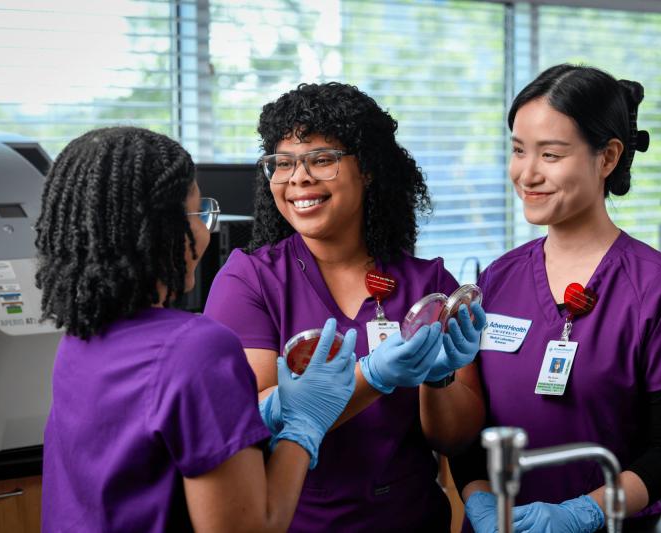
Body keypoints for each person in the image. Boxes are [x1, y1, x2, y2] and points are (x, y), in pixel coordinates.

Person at [36, 126, 357, 532]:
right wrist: (304, 426)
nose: (206, 230)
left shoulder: (80, 339)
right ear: (170, 230)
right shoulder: (197, 348)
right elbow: (252, 527)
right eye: (199, 213)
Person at [204, 82, 487, 532]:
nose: (298, 178)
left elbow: (454, 438)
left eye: (322, 159)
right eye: (283, 163)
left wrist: (439, 376)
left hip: (412, 521)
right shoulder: (249, 281)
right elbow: (250, 419)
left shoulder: (429, 283)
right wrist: (372, 376)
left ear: (368, 170)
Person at [448, 64, 661, 533]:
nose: (526, 173)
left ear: (607, 157)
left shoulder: (658, 289)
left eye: (550, 154)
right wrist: (480, 503)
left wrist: (584, 512)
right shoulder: (497, 280)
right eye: (517, 150)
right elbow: (470, 432)